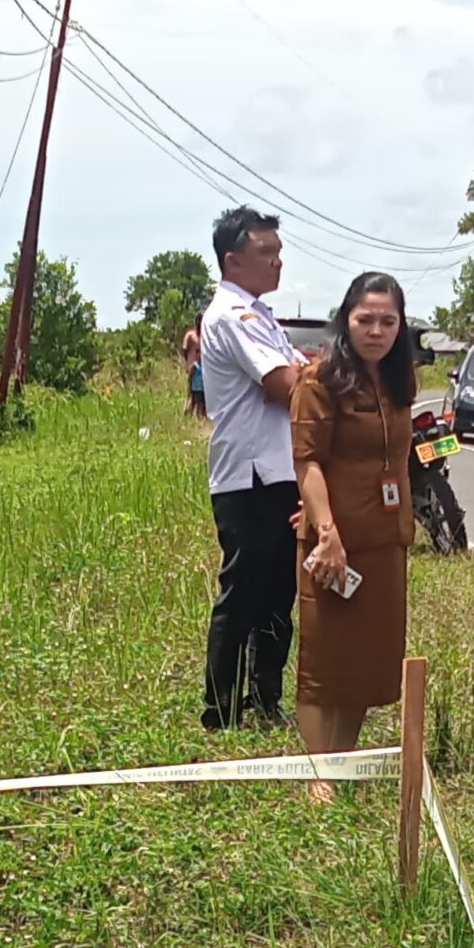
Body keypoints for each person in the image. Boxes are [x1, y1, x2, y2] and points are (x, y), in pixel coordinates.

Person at [293, 272, 419, 797]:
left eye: (388, 321)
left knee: (366, 662)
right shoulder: (319, 380)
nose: (376, 330)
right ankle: (318, 774)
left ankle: (340, 762)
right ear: (346, 319)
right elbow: (308, 461)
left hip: (385, 542)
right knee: (324, 662)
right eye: (365, 319)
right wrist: (326, 530)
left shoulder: (397, 381)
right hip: (335, 544)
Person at [197, 207, 302, 731]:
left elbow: (303, 372)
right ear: (232, 259)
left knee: (279, 592)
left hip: (278, 473)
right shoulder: (230, 315)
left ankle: (265, 702)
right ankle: (221, 712)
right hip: (250, 476)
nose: (277, 263)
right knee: (244, 593)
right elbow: (287, 386)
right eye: (267, 254)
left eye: (279, 253)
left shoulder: (260, 315)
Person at [183, 324, 205, 417]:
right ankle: (186, 416)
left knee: (202, 403)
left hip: (202, 384)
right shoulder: (190, 335)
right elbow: (184, 349)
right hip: (195, 382)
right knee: (191, 399)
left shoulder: (206, 336)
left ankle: (200, 419)